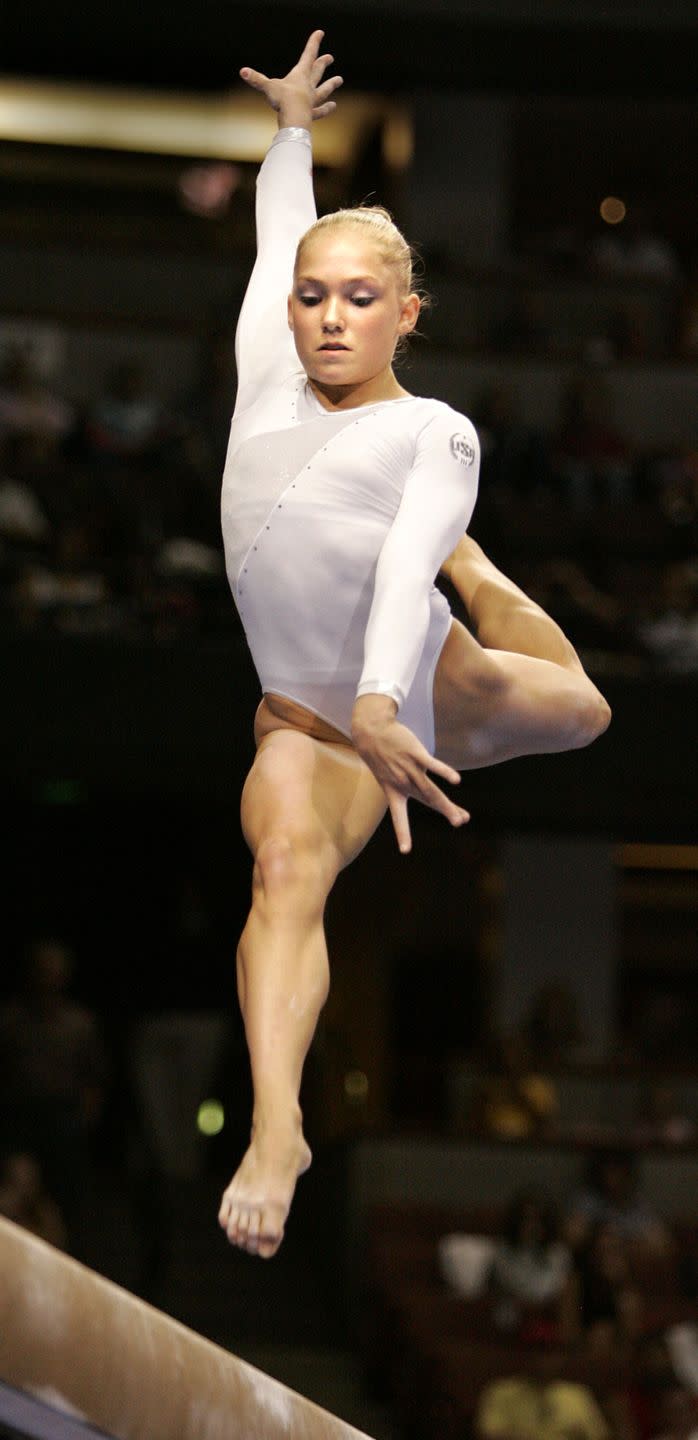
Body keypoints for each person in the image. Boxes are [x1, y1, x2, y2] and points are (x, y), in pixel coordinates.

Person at [217, 31, 611, 1259]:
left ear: (407, 313)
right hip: (310, 718)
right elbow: (282, 224)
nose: (330, 317)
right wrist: (289, 128)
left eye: (360, 299)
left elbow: (399, 569)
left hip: (425, 683)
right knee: (284, 867)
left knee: (583, 711)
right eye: (313, 294)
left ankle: (485, 575)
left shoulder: (434, 434)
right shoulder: (265, 371)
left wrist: (390, 697)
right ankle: (278, 1126)